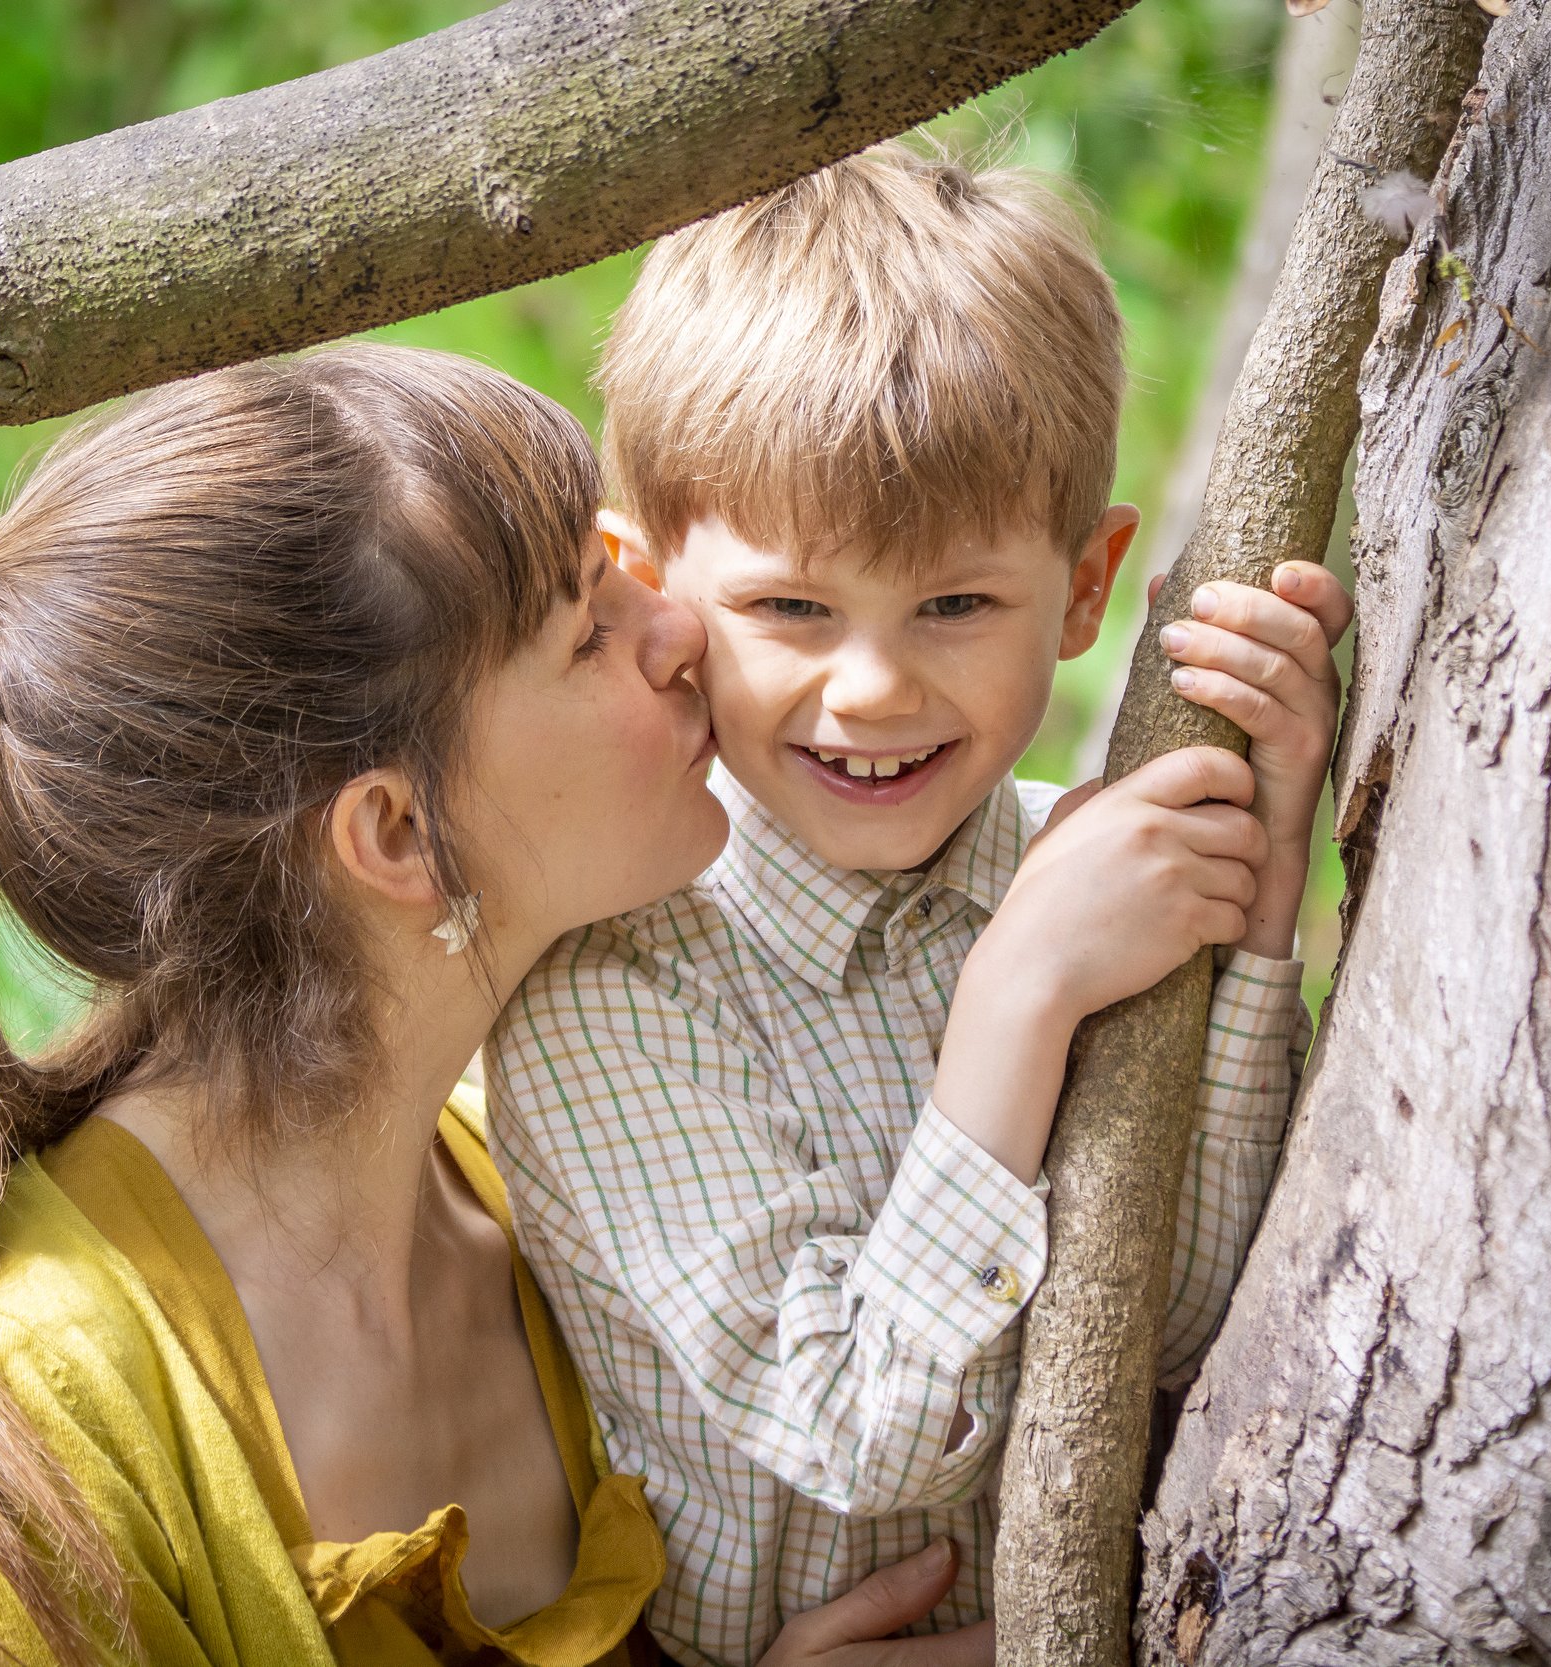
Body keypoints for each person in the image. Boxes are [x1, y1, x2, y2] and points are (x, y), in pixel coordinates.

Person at [0, 343, 995, 1667]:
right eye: (589, 630)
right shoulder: (37, 1418)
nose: (681, 627)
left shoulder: (578, 1187)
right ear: (398, 837)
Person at [485, 142, 1354, 1666]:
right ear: (656, 585)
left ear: (1086, 590)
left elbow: (1186, 1313)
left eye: (955, 603)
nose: (875, 685)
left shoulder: (1068, 872)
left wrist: (1259, 887)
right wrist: (1021, 997)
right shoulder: (612, 980)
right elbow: (859, 1430)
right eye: (789, 608)